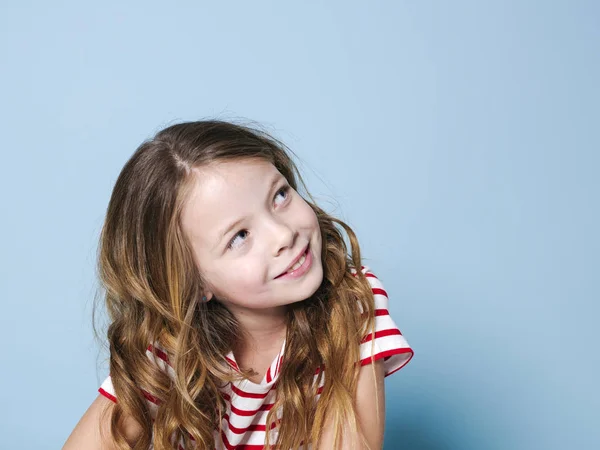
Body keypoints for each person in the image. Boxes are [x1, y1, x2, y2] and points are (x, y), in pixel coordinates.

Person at [63, 119, 414, 450]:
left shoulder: (352, 303)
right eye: (240, 236)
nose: (284, 234)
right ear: (194, 284)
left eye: (279, 196)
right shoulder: (168, 351)